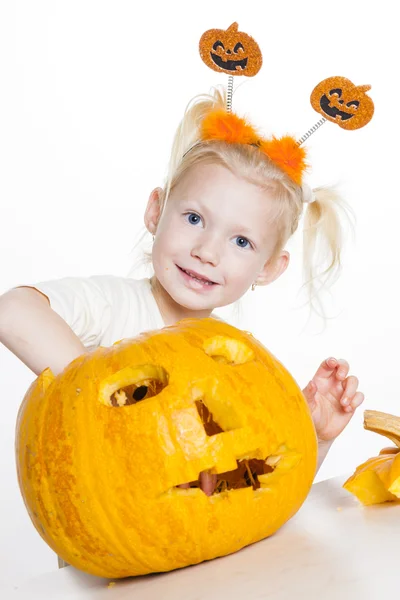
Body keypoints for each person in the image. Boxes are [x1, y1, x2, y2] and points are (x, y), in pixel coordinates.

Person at [0, 87, 364, 495]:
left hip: (209, 555)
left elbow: (255, 492)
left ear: (268, 269)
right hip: (112, 545)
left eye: (240, 242)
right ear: (156, 210)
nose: (206, 251)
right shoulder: (111, 306)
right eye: (194, 218)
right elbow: (12, 311)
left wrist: (315, 437)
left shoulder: (236, 358)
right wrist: (105, 400)